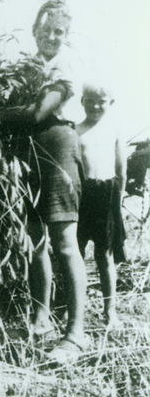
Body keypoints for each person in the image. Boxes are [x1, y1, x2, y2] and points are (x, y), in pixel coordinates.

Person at [0, 0, 89, 362]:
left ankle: (76, 333)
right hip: (28, 151)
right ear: (35, 29)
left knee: (65, 240)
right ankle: (40, 321)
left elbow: (38, 113)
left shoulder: (65, 65)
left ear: (66, 36)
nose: (53, 36)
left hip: (56, 144)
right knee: (34, 240)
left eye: (60, 32)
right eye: (47, 29)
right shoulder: (29, 65)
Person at [76, 82, 127, 327]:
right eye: (90, 100)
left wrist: (118, 201)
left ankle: (110, 311)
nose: (95, 106)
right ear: (81, 100)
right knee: (75, 252)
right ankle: (69, 307)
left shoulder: (115, 132)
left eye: (102, 101)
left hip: (107, 195)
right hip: (82, 195)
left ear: (111, 103)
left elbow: (121, 170)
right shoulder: (75, 130)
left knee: (104, 255)